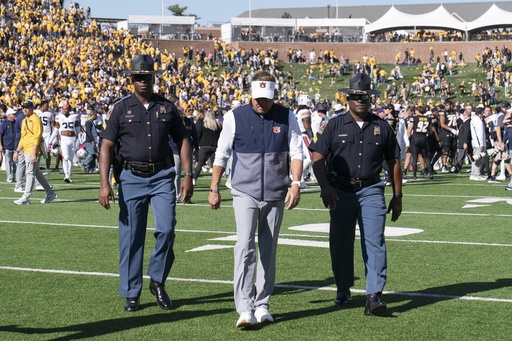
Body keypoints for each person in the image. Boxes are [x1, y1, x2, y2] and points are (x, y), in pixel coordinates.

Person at [98, 54, 193, 312]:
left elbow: (183, 139)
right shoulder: (121, 108)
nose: (142, 81)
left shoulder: (167, 108)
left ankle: (158, 281)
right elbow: (106, 145)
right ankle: (131, 292)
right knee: (131, 237)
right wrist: (104, 183)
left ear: (153, 78)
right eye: (138, 77)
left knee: (167, 228)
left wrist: (187, 175)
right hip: (130, 177)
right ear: (132, 79)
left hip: (162, 176)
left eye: (146, 77)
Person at [208, 70, 303, 328]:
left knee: (268, 250)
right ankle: (245, 307)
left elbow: (296, 151)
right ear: (251, 93)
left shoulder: (287, 116)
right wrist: (214, 187)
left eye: (266, 97)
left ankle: (262, 304)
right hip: (243, 190)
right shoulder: (234, 117)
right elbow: (221, 154)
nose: (261, 102)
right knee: (245, 245)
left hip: (276, 191)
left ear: (274, 95)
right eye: (258, 97)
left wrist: (295, 184)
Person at [309, 72, 402, 316]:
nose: (360, 100)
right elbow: (317, 157)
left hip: (371, 189)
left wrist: (398, 195)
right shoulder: (334, 124)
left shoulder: (382, 126)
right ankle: (343, 287)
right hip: (340, 189)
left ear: (371, 98)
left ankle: (374, 295)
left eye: (365, 96)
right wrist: (325, 188)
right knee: (340, 243)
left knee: (374, 241)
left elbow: (394, 161)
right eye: (355, 96)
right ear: (348, 98)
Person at [12, 100, 57, 205]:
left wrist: (34, 153)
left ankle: (26, 197)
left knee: (30, 173)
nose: (25, 109)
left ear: (32, 108)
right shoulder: (24, 120)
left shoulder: (35, 119)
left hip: (33, 149)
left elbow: (37, 137)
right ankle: (50, 193)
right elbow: (23, 137)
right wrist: (17, 151)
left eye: (27, 107)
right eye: (23, 107)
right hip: (26, 148)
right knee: (36, 173)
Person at [192, 109, 222, 182]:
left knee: (200, 164)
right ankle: (216, 181)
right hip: (214, 147)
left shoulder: (203, 124)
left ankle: (194, 179)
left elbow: (198, 135)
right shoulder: (218, 125)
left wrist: (197, 144)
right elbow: (220, 136)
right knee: (215, 165)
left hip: (204, 146)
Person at [54, 103, 80, 183]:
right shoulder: (59, 117)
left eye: (66, 109)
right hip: (64, 139)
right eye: (63, 109)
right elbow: (56, 129)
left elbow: (78, 130)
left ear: (69, 110)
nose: (64, 110)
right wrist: (51, 140)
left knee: (71, 159)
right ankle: (66, 175)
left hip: (72, 139)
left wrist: (80, 141)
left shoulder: (74, 117)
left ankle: (69, 175)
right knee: (65, 157)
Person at [0, 107, 17, 183]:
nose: (14, 115)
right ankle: (9, 176)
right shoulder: (4, 123)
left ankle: (13, 174)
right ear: (9, 115)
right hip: (7, 145)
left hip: (16, 145)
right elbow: (0, 134)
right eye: (13, 114)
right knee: (8, 161)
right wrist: (0, 145)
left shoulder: (16, 122)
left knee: (16, 162)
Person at [80, 106, 99, 173]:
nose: (97, 116)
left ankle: (92, 167)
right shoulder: (88, 122)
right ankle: (84, 163)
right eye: (95, 115)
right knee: (93, 153)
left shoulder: (91, 122)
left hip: (90, 140)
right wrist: (92, 140)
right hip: (88, 141)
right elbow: (88, 132)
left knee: (93, 154)